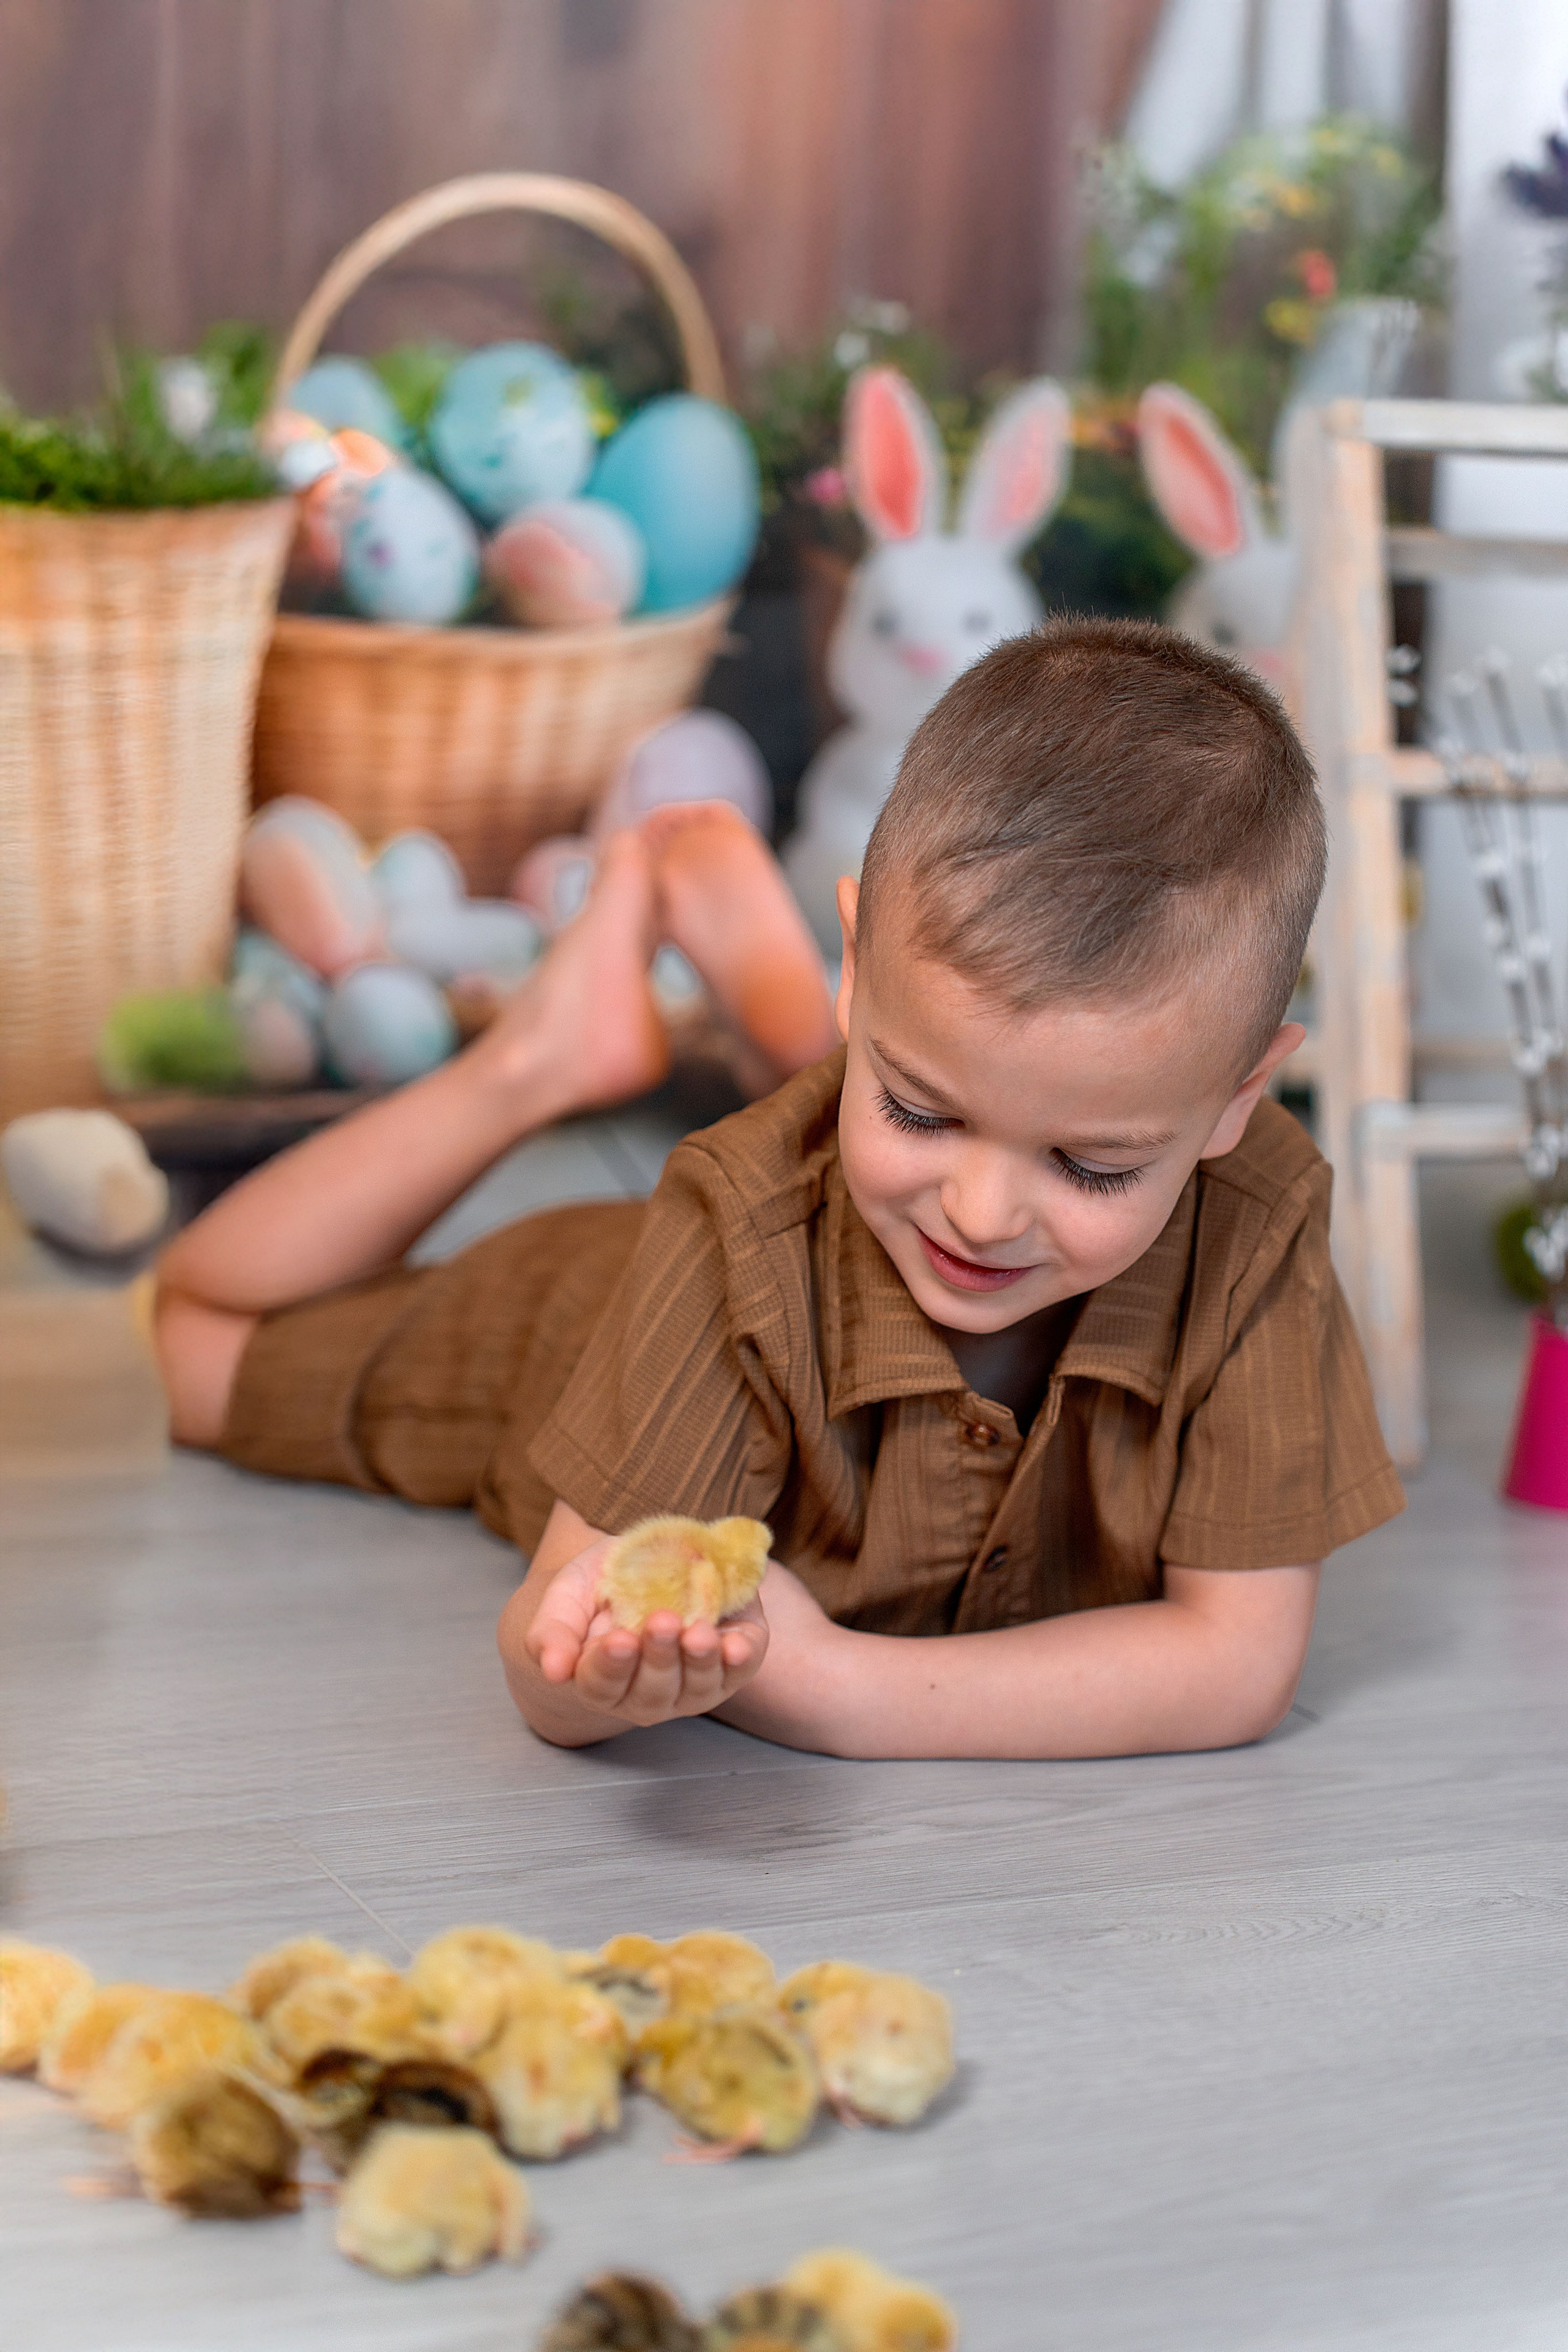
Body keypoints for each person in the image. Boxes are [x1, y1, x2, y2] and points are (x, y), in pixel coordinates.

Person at [155, 619, 1404, 1762]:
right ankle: (539, 1060)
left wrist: (833, 1687)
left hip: (829, 1184)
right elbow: (545, 1661)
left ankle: (796, 1044)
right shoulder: (728, 1221)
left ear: (1240, 1099)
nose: (979, 1213)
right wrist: (607, 1674)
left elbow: (1235, 1662)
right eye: (922, 1108)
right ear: (857, 964)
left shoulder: (1259, 1210)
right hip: (579, 1308)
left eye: (1089, 1164)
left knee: (877, 1136)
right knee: (196, 1343)